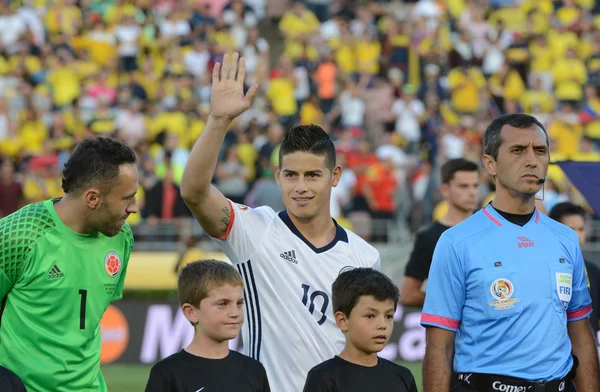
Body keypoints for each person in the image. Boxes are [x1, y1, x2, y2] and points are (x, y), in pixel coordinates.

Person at [180, 52, 381, 392]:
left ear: (334, 176)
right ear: (277, 175)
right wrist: (218, 121)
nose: (300, 187)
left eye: (312, 175)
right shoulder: (255, 231)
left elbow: (366, 348)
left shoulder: (364, 257)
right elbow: (194, 192)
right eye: (291, 175)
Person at [421, 114, 599, 392]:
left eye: (540, 151)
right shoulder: (457, 242)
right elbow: (439, 347)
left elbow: (581, 334)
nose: (531, 160)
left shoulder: (565, 239)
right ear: (490, 163)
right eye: (518, 150)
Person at [0, 137, 139, 392]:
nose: (135, 208)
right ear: (93, 198)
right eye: (127, 198)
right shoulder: (18, 234)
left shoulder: (122, 237)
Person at [145, 260, 271, 392]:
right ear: (191, 312)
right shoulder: (167, 374)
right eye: (222, 304)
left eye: (239, 303)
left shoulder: (254, 370)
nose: (235, 313)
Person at [302, 268, 417, 392]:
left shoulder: (403, 377)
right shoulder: (323, 378)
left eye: (388, 316)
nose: (382, 325)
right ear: (342, 321)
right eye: (370, 316)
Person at [400, 158, 480, 307]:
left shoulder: (491, 229)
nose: (472, 193)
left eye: (475, 186)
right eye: (463, 186)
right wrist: (458, 302)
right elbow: (408, 294)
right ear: (445, 190)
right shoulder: (429, 237)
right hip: (455, 327)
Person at [549, 202, 600, 344]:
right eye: (570, 229)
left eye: (581, 229)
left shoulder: (593, 270)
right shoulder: (543, 269)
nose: (576, 235)